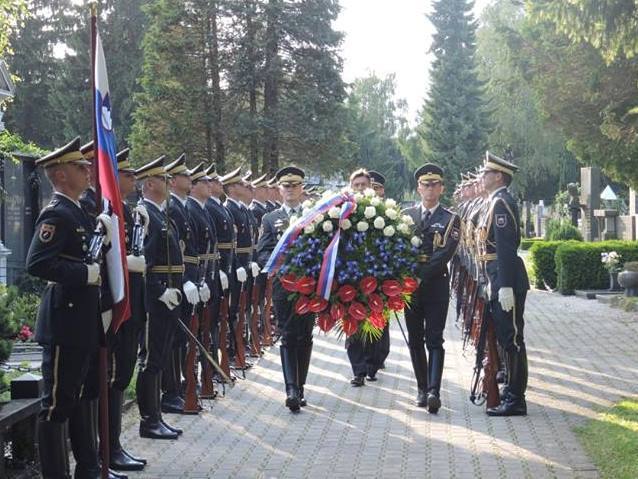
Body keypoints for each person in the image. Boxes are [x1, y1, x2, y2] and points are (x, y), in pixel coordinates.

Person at [26, 137, 113, 478]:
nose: (88, 171)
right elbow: (37, 263)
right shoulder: (57, 213)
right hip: (65, 320)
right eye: (80, 167)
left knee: (81, 397)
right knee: (56, 405)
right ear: (61, 175)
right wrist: (83, 273)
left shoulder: (78, 211)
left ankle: (87, 468)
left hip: (83, 319)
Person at [403, 164, 461, 413]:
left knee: (434, 339)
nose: (430, 188)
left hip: (436, 285)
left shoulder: (450, 219)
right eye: (425, 184)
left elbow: (444, 254)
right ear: (418, 188)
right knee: (415, 339)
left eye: (434, 184)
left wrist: (420, 276)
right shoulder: (405, 216)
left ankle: (434, 391)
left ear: (441, 188)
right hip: (410, 288)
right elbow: (398, 249)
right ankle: (422, 388)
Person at [256, 166, 314, 412]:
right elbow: (262, 252)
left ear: (301, 188)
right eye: (286, 186)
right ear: (279, 189)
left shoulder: (314, 216)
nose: (290, 189)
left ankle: (300, 386)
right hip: (284, 284)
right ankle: (291, 389)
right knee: (288, 334)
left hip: (310, 285)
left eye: (295, 185)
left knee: (305, 335)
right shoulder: (270, 219)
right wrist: (280, 265)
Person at [135, 155, 184, 440]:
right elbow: (144, 262)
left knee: (160, 358)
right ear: (150, 183)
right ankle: (148, 420)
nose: (169, 183)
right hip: (155, 301)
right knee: (151, 360)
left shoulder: (160, 214)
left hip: (169, 297)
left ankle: (157, 417)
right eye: (164, 179)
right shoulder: (144, 214)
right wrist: (159, 290)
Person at [478, 152, 530, 416]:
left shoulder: (500, 203)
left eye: (486, 172)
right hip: (497, 276)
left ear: (498, 176)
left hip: (505, 277)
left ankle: (515, 399)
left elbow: (506, 247)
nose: (482, 176)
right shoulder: (495, 201)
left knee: (512, 339)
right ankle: (512, 392)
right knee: (506, 337)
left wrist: (506, 285)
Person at [106, 148, 147, 471]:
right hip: (113, 306)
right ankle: (107, 448)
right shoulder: (103, 209)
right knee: (110, 380)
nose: (134, 180)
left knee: (121, 376)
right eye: (128, 174)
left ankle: (114, 445)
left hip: (131, 304)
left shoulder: (129, 211)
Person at [162, 154, 197, 414]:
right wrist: (185, 280)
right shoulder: (171, 207)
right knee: (173, 340)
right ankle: (171, 390)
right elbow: (173, 253)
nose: (190, 178)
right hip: (176, 282)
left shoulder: (181, 207)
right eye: (185, 175)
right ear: (173, 181)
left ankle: (178, 387)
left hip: (188, 279)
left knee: (180, 339)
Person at [344, 168, 381, 386]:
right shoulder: (342, 210)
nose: (359, 188)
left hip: (375, 273)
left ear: (370, 187)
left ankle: (372, 364)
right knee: (352, 322)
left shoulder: (380, 212)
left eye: (363, 185)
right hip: (348, 275)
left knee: (374, 320)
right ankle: (358, 370)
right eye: (356, 185)